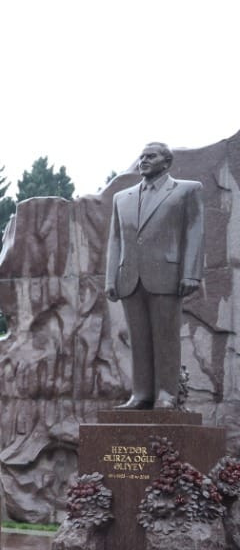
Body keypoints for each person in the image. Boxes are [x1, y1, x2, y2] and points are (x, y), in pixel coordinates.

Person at [105, 141, 206, 409]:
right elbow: (115, 241)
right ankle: (141, 395)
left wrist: (191, 273)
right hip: (129, 278)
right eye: (141, 156)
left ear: (166, 162)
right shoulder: (121, 198)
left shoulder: (187, 190)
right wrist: (109, 279)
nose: (143, 160)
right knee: (138, 340)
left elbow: (194, 233)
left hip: (167, 276)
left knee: (166, 338)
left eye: (151, 156)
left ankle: (166, 394)